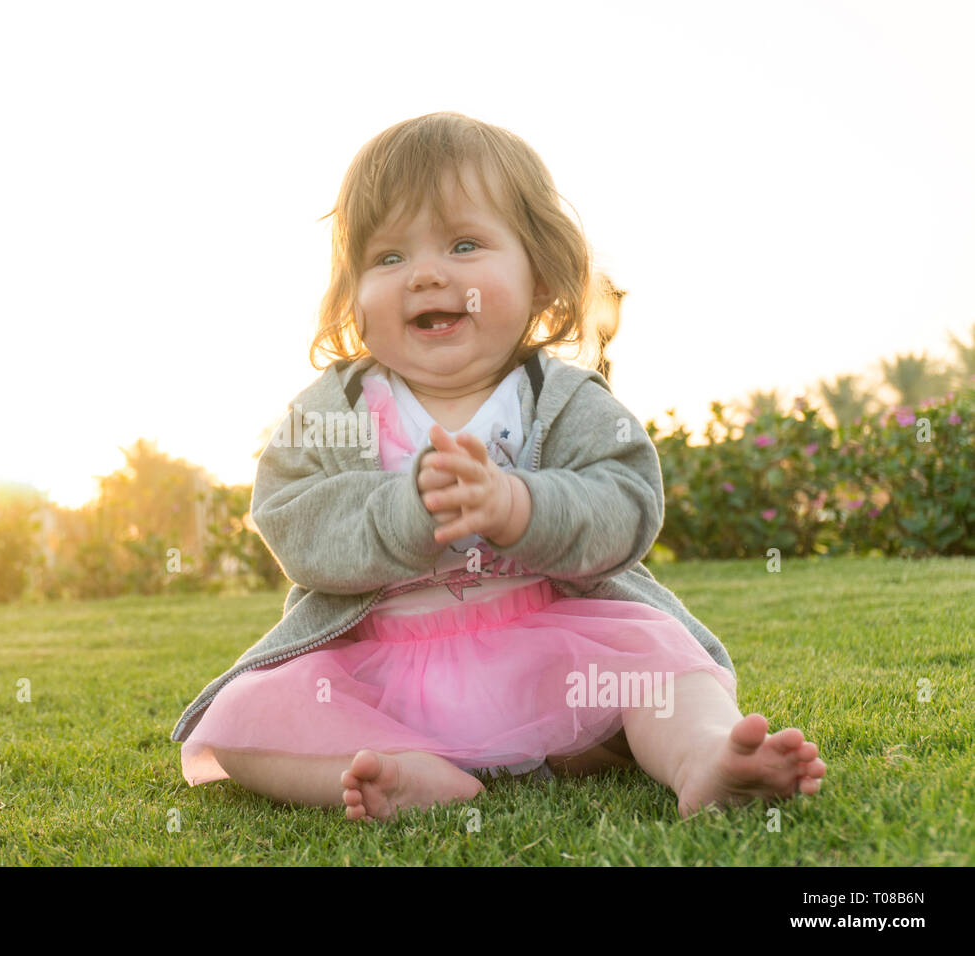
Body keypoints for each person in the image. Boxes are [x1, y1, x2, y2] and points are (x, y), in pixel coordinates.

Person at [170, 111, 827, 822]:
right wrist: (404, 514)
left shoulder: (562, 398)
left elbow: (627, 501)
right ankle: (402, 771)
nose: (424, 274)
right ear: (354, 295)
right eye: (387, 258)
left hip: (550, 652)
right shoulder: (339, 406)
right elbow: (290, 514)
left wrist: (521, 507)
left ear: (541, 274)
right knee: (244, 717)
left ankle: (702, 755)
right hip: (381, 669)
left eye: (463, 244)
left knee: (660, 664)